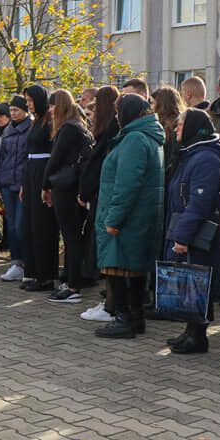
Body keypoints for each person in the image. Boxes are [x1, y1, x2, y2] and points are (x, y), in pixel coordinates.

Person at [94, 94, 165, 339]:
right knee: (134, 270)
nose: (116, 117)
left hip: (127, 218)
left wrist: (113, 219)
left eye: (118, 112)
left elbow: (127, 184)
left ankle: (124, 318)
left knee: (118, 267)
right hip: (140, 216)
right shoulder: (148, 137)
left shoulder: (135, 139)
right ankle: (136, 318)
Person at [163, 109, 220, 354]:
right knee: (190, 283)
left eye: (180, 125)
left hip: (200, 235)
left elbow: (199, 203)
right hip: (187, 227)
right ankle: (190, 330)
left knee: (198, 283)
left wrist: (183, 237)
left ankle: (198, 336)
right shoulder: (192, 153)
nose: (177, 129)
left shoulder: (205, 159)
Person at [42, 90, 93, 304]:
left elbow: (55, 160)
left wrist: (45, 186)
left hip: (65, 188)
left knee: (71, 237)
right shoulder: (80, 126)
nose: (51, 111)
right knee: (74, 237)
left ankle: (73, 285)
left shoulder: (68, 129)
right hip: (76, 187)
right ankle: (72, 280)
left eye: (53, 106)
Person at [77, 86, 121, 322]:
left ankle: (111, 305)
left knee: (107, 251)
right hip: (98, 195)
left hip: (102, 196)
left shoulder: (111, 132)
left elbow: (97, 166)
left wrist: (85, 191)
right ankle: (108, 302)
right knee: (103, 250)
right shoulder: (109, 131)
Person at [21, 85, 58, 292]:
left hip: (43, 172)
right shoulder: (36, 122)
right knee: (30, 225)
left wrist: (48, 183)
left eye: (30, 100)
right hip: (31, 173)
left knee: (42, 226)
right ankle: (33, 271)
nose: (28, 104)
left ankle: (45, 276)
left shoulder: (49, 121)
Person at [0, 97, 32, 282]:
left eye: (17, 110)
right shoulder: (8, 130)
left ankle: (27, 263)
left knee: (20, 225)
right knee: (10, 224)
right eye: (12, 110)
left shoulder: (32, 127)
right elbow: (1, 158)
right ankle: (15, 263)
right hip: (7, 182)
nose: (13, 113)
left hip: (23, 184)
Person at [152, 86, 187, 174]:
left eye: (152, 103)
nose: (150, 107)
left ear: (160, 104)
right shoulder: (184, 121)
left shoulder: (162, 126)